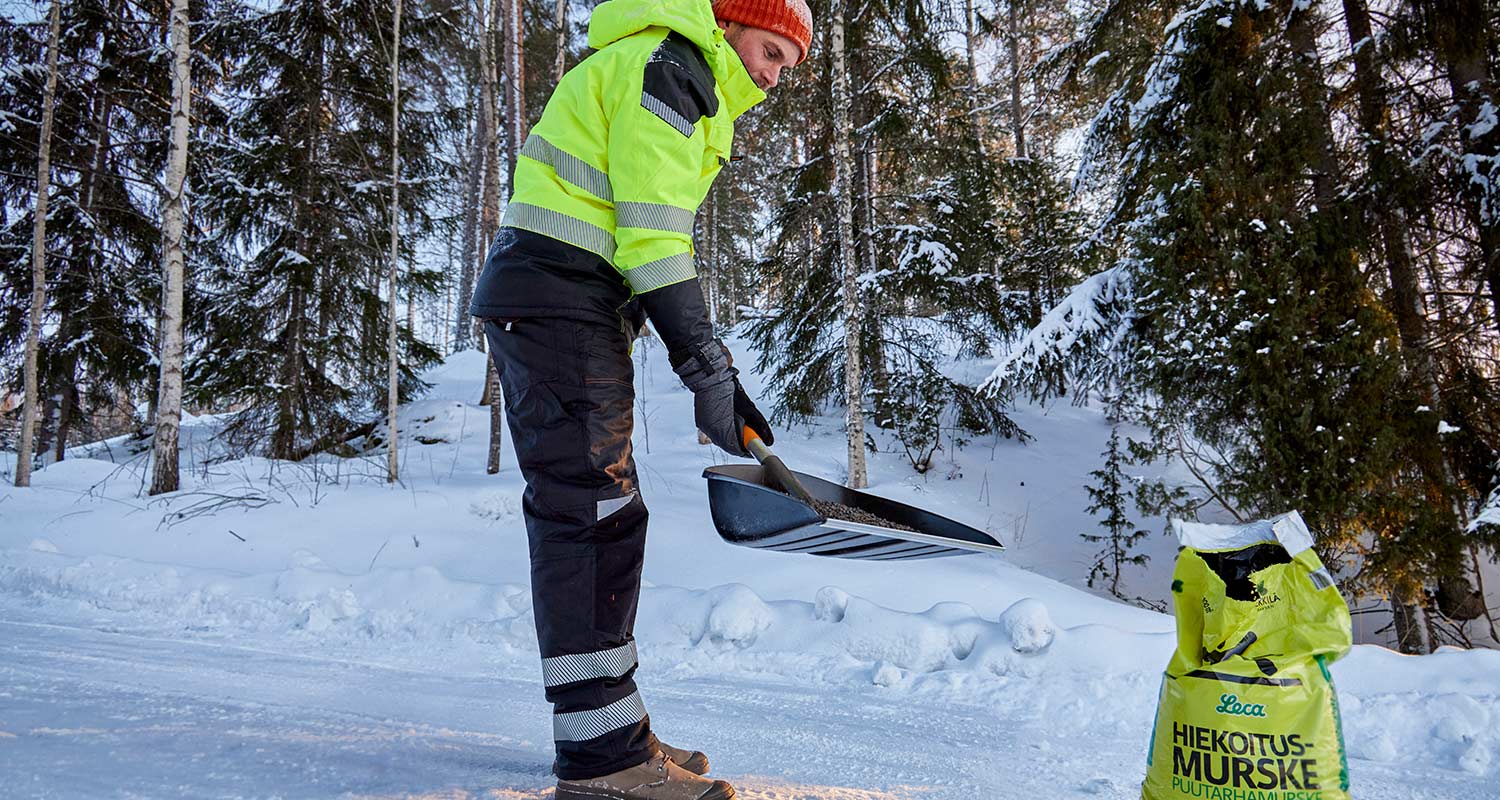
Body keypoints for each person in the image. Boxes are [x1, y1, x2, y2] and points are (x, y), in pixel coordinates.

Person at [468, 0, 811, 796]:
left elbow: (643, 240)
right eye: (768, 51)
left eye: (786, 67)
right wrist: (708, 371)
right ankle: (603, 764)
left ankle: (613, 731)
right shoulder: (671, 69)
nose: (772, 76)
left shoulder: (671, 69)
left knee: (604, 512)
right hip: (558, 295)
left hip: (564, 298)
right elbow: (652, 239)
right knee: (591, 514)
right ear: (728, 23)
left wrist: (718, 377)